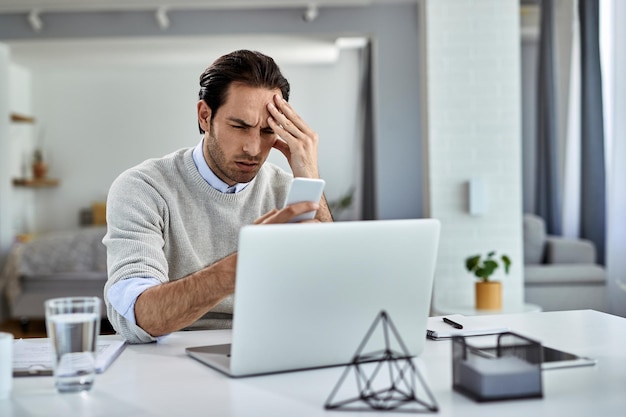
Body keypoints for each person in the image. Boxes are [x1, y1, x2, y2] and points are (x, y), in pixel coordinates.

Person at [103, 50, 333, 344]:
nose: (253, 148)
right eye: (240, 126)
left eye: (267, 131)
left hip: (268, 348)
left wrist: (310, 176)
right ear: (204, 115)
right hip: (169, 354)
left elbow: (331, 293)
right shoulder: (143, 188)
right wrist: (246, 261)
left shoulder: (289, 190)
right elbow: (139, 316)